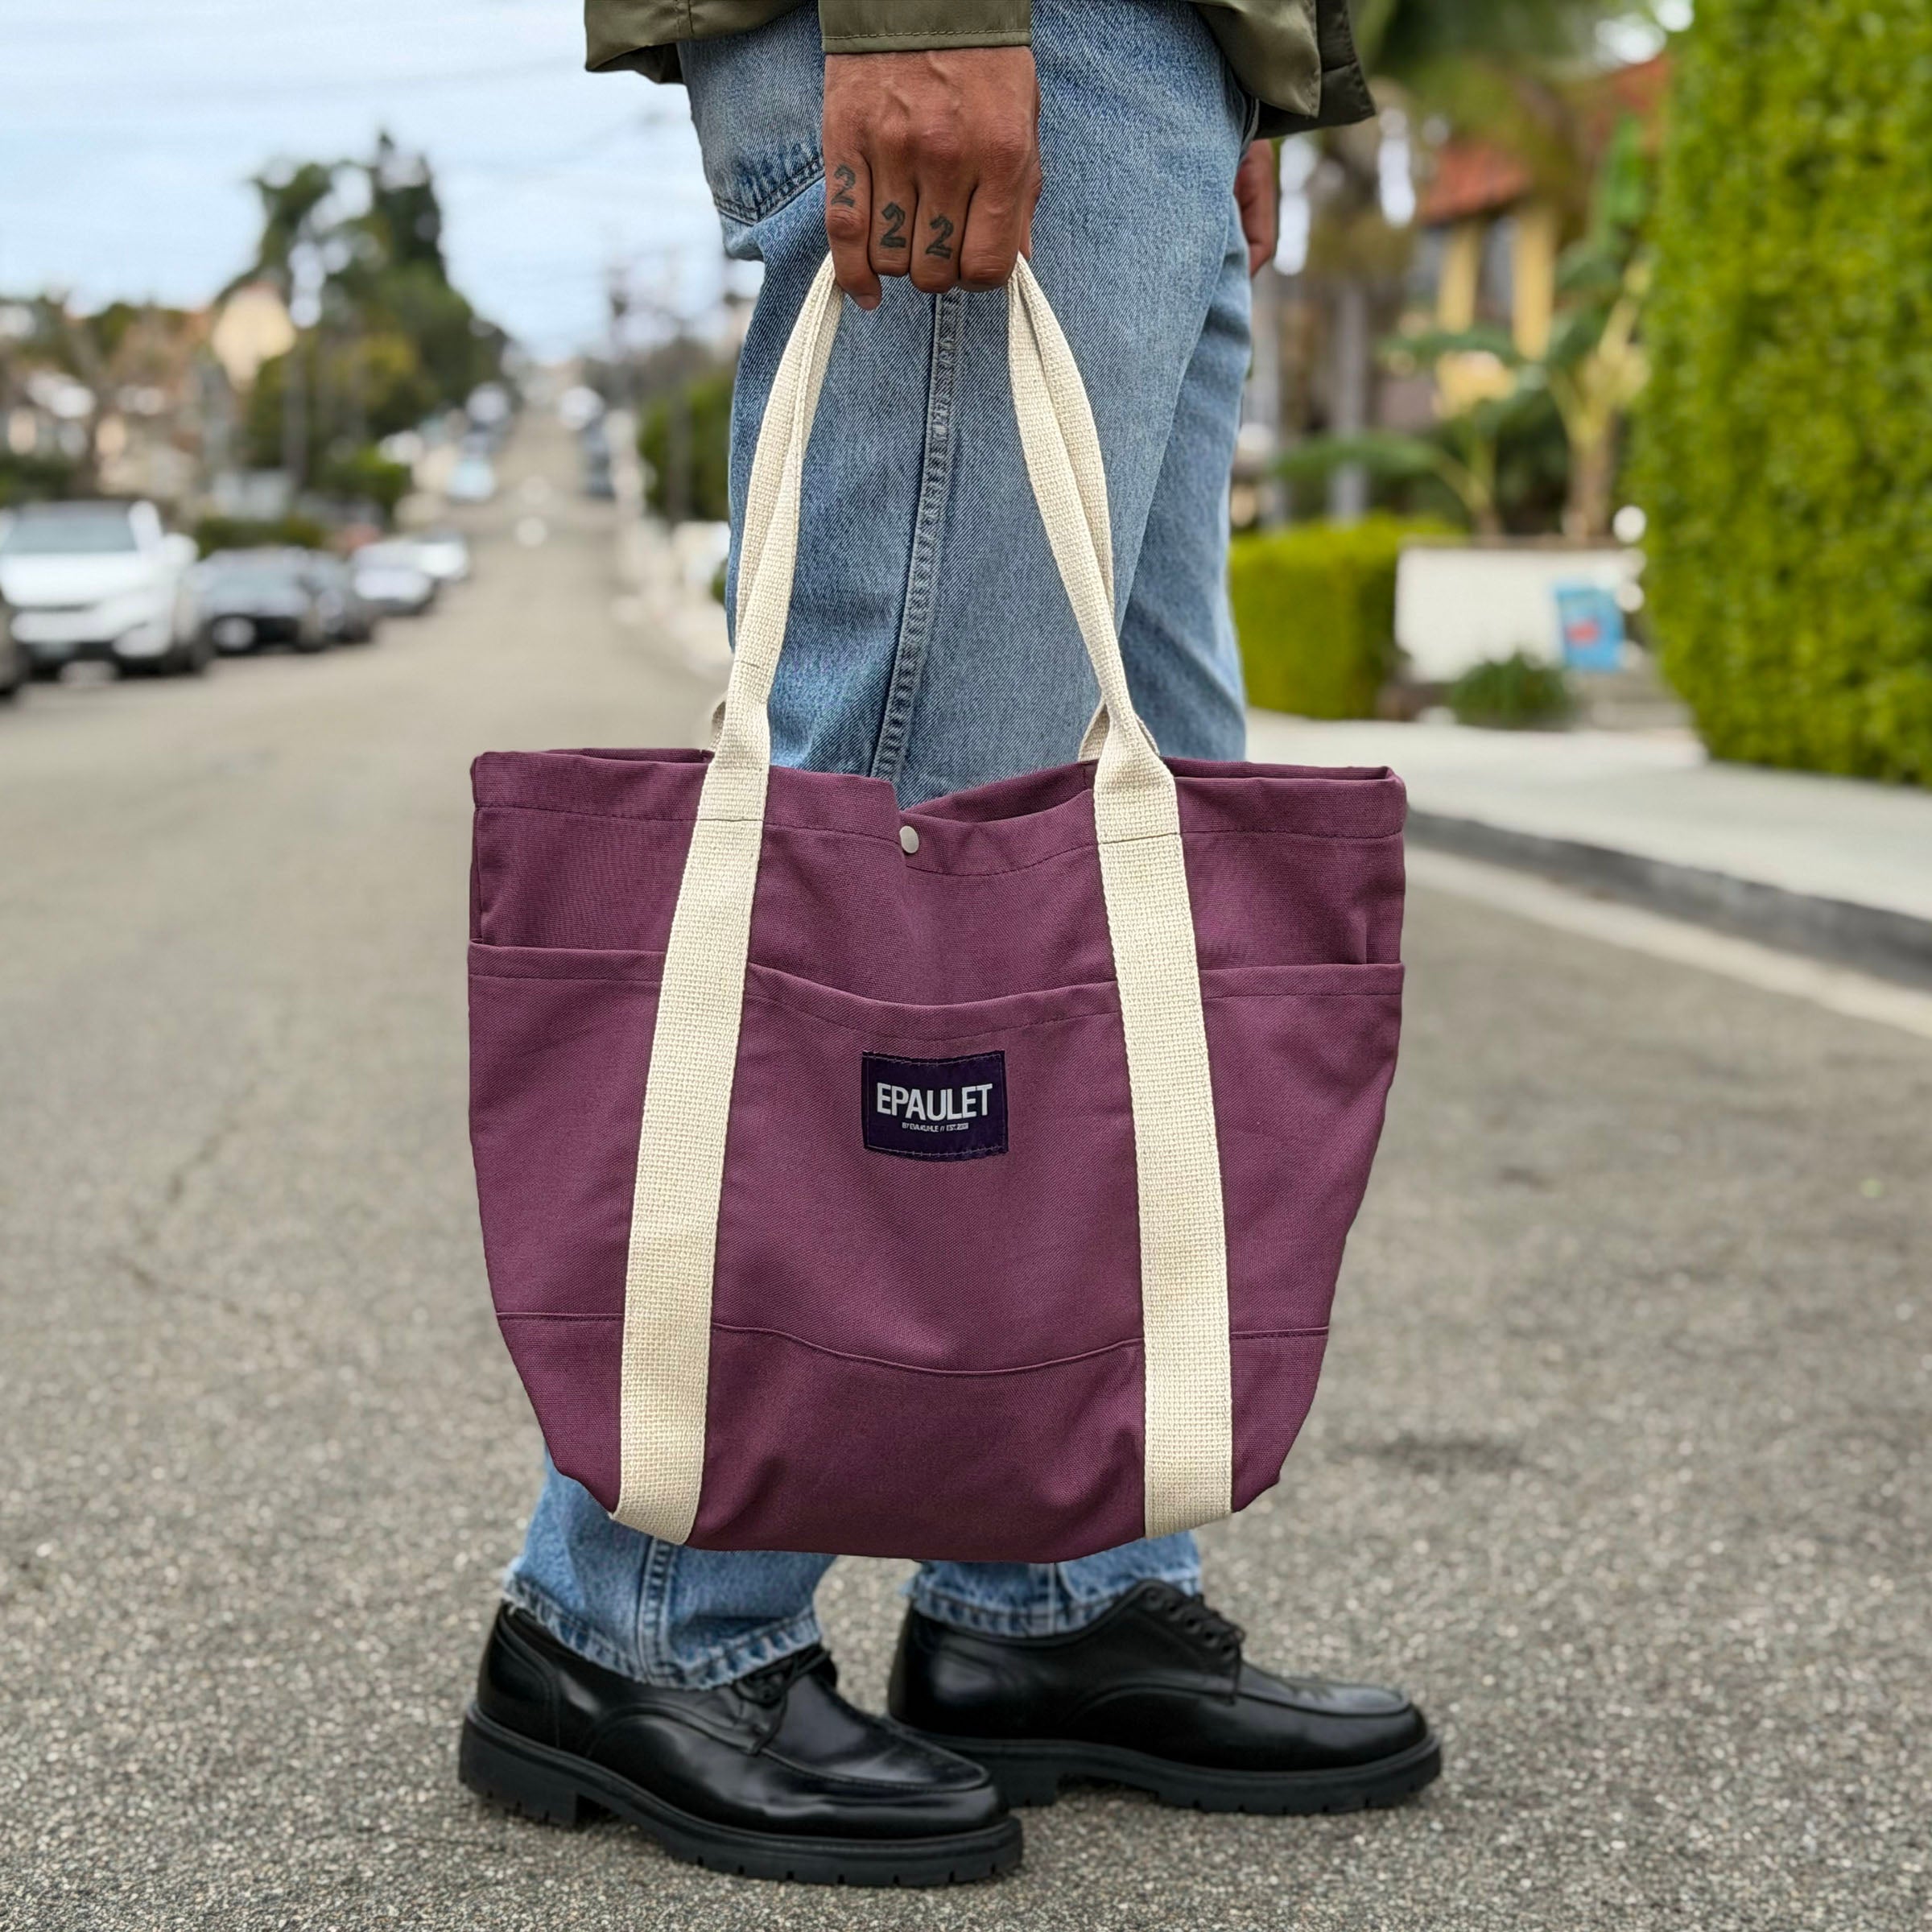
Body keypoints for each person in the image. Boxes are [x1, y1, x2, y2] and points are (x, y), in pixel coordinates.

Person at [458, 0, 1439, 1886]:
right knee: (909, 813)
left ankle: (1052, 1590)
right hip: (1020, 19)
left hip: (1178, 50)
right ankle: (634, 1620)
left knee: (1114, 821)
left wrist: (1276, 77)